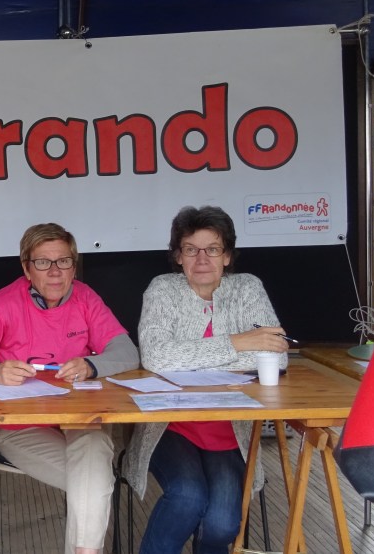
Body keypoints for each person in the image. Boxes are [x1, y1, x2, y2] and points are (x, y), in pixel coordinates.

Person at [0, 222, 140, 554]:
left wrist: (92, 366)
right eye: (43, 262)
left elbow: (128, 353)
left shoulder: (86, 298)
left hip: (80, 420)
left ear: (74, 265)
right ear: (26, 268)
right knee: (96, 481)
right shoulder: (2, 304)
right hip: (20, 428)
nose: (55, 272)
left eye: (64, 261)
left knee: (94, 453)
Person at [122, 205, 289, 554]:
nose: (202, 259)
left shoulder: (247, 288)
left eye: (212, 249)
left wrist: (186, 359)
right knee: (188, 496)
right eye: (190, 249)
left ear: (226, 256)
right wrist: (239, 343)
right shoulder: (162, 289)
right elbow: (155, 358)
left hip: (229, 429)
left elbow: (275, 354)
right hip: (169, 425)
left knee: (223, 523)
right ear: (178, 256)